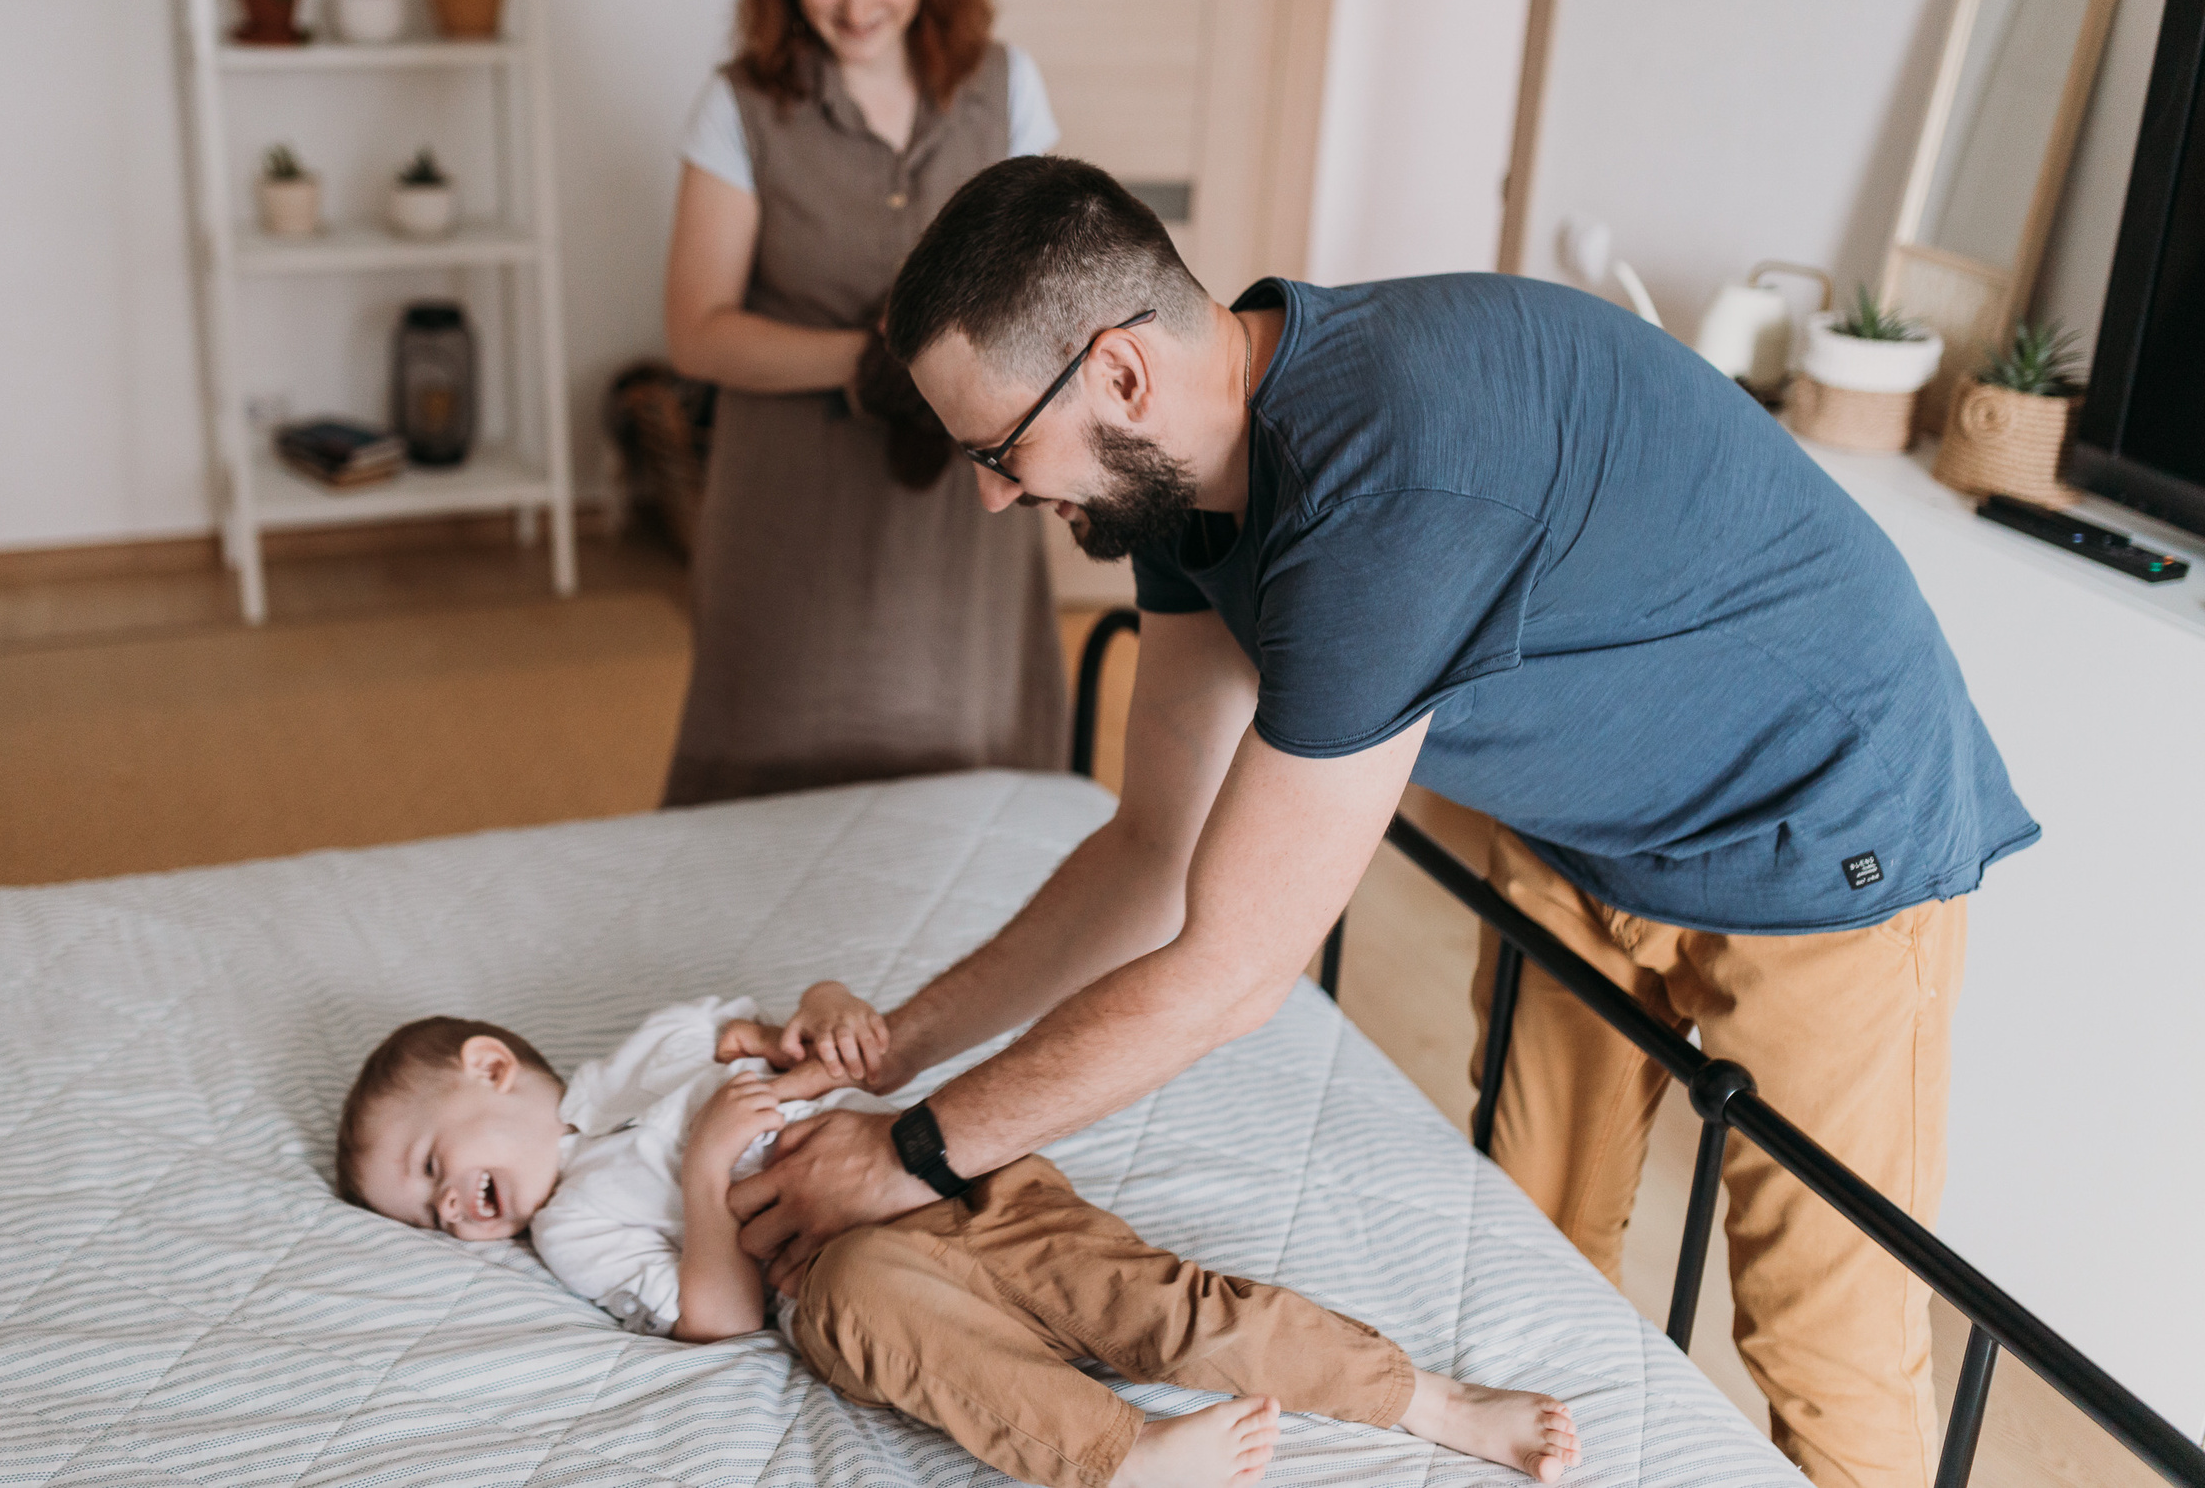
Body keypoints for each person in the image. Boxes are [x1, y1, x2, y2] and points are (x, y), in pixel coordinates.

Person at [724, 157, 2040, 1488]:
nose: (995, 497)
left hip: (1822, 831)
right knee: (1537, 1241)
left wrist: (912, 1152)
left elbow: (1228, 974)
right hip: (1585, 834)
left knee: (1825, 1343)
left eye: (997, 453)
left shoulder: (1381, 495)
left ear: (1119, 374)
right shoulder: (1180, 480)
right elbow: (1152, 848)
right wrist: (890, 1052)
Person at [336, 986, 1580, 1488]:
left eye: (435, 1165)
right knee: (906, 1327)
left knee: (1159, 1306)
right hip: (835, 1268)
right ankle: (1119, 1458)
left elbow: (791, 1037)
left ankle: (1421, 1400)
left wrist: (823, 1015)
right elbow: (716, 1316)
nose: (449, 1209)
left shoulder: (661, 1046)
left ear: (491, 1068)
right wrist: (711, 1169)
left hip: (945, 1178)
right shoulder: (573, 1229)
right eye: (423, 1211)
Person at [658, 0, 1065, 806]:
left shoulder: (1003, 89)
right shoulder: (739, 105)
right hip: (792, 497)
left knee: (968, 770)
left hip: (970, 499)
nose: (855, 8)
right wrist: (864, 360)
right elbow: (695, 331)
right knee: (774, 756)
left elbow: (1054, 285)